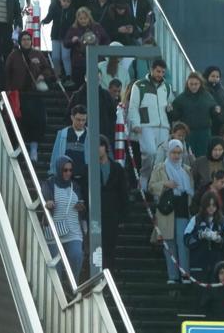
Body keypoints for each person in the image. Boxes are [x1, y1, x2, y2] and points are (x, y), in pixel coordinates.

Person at [149, 139, 193, 284]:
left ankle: (185, 274)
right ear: (168, 152)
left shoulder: (186, 169)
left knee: (183, 242)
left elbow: (191, 191)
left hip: (182, 209)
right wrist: (165, 184)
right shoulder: (160, 168)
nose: (176, 155)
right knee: (169, 243)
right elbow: (151, 186)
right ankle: (173, 276)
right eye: (173, 152)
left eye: (179, 152)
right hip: (166, 211)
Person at [128, 59, 175, 191]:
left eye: (163, 72)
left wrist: (171, 110)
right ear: (151, 70)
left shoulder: (167, 87)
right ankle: (143, 179)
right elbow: (133, 106)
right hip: (146, 125)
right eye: (158, 71)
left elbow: (171, 103)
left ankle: (155, 189)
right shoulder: (139, 85)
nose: (160, 74)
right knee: (149, 152)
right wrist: (135, 123)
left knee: (160, 159)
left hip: (164, 126)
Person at [4, 32, 51, 162]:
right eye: (23, 39)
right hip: (19, 94)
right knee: (20, 121)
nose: (26, 41)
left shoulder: (37, 54)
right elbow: (7, 73)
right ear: (20, 41)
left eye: (28, 39)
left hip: (35, 94)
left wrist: (43, 75)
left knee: (37, 121)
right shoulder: (14, 55)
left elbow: (47, 69)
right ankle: (21, 147)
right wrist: (8, 89)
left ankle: (34, 148)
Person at [42, 156, 85, 282]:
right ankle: (60, 292)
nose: (68, 173)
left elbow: (82, 202)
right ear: (59, 169)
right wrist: (48, 203)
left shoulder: (75, 186)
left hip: (73, 231)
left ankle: (74, 284)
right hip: (54, 231)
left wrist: (81, 206)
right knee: (57, 267)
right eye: (65, 170)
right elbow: (45, 197)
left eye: (70, 170)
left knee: (76, 256)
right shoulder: (49, 184)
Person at [191, 137, 224, 235]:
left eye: (220, 150)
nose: (217, 153)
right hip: (205, 199)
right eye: (215, 149)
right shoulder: (200, 162)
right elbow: (195, 179)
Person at [184, 191, 224, 282]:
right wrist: (199, 236)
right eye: (209, 205)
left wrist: (220, 240)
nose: (211, 208)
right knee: (201, 293)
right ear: (204, 205)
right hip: (199, 265)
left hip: (218, 266)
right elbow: (186, 240)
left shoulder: (223, 221)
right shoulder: (196, 220)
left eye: (214, 205)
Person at [171, 72, 221, 157]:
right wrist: (170, 111)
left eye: (196, 84)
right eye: (191, 84)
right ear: (187, 84)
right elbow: (175, 116)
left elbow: (213, 111)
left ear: (200, 84)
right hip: (188, 133)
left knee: (203, 157)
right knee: (189, 157)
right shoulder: (181, 98)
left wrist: (216, 111)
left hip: (204, 132)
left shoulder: (207, 96)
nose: (193, 86)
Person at [98, 135, 129, 272]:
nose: (98, 149)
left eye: (101, 146)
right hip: (96, 213)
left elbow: (123, 192)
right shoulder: (90, 168)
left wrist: (123, 215)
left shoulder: (117, 168)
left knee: (110, 245)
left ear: (105, 147)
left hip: (112, 213)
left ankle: (109, 273)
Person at [50, 105, 89, 200]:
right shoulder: (63, 134)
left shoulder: (90, 135)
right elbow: (55, 155)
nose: (81, 123)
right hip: (66, 177)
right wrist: (53, 172)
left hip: (84, 177)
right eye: (78, 119)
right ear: (72, 118)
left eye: (83, 120)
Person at [64, 7, 110, 86]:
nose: (83, 20)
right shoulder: (73, 29)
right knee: (79, 85)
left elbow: (106, 39)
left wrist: (101, 50)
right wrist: (72, 41)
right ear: (77, 18)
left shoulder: (97, 27)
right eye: (80, 18)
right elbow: (65, 43)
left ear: (89, 17)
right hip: (79, 63)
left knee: (95, 84)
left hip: (96, 61)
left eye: (85, 18)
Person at [67, 73, 116, 140]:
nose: (95, 81)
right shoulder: (77, 96)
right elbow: (69, 116)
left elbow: (112, 116)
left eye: (98, 79)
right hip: (81, 136)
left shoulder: (106, 96)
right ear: (85, 78)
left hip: (102, 136)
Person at [42, 0, 77, 85]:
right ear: (60, 0)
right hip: (55, 36)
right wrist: (43, 21)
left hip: (66, 37)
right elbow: (49, 18)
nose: (65, 3)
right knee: (55, 57)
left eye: (68, 1)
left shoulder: (72, 11)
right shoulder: (55, 9)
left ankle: (69, 76)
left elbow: (74, 24)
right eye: (64, 0)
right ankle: (58, 76)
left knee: (65, 56)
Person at [203, 66, 224, 135]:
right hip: (206, 128)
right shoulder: (202, 90)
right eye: (212, 76)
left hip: (222, 128)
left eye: (217, 77)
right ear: (207, 76)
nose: (215, 79)